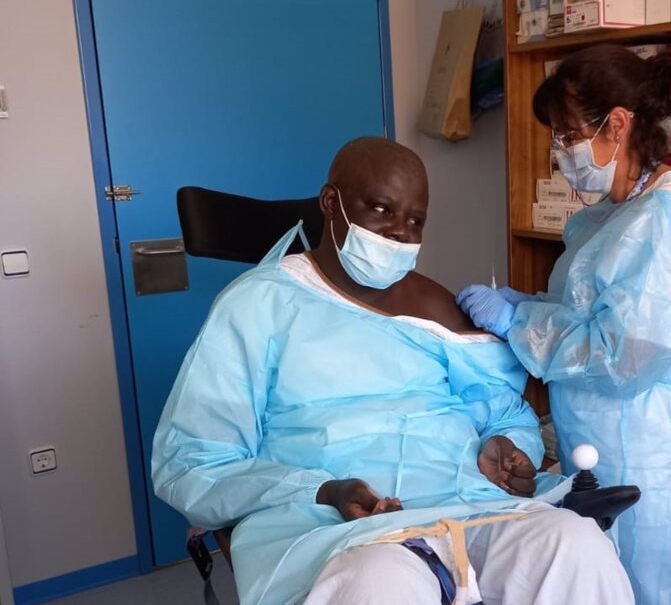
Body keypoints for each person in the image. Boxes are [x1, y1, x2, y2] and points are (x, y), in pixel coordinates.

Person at [152, 138, 634, 605]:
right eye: (381, 210)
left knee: (572, 545)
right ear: (331, 202)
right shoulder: (256, 306)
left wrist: (508, 449)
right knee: (379, 583)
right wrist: (321, 490)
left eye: (415, 220)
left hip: (467, 504)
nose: (400, 232)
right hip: (333, 528)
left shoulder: (432, 306)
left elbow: (504, 412)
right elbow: (193, 463)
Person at [456, 45, 671, 604]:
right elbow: (589, 310)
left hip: (655, 448)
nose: (559, 152)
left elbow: (623, 359)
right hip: (603, 440)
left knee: (656, 587)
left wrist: (519, 320)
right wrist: (529, 304)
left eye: (568, 135)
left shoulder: (668, 219)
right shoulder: (610, 213)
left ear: (618, 124)